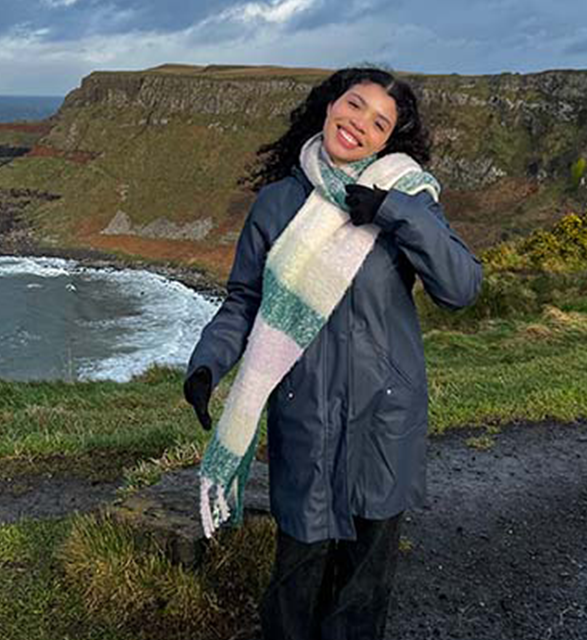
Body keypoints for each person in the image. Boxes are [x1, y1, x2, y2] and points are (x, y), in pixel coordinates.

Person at [183, 66, 483, 640]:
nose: (359, 125)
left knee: (362, 593)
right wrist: (207, 364)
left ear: (388, 140)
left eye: (379, 122)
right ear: (328, 105)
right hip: (306, 417)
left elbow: (462, 288)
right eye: (354, 105)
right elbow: (244, 301)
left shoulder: (409, 198)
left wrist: (392, 212)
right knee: (294, 584)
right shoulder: (276, 204)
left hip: (383, 419)